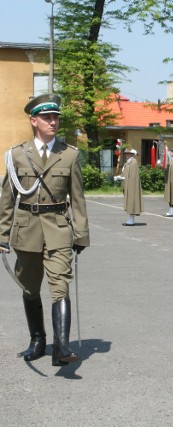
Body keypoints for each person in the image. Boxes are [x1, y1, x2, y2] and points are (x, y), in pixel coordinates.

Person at [0, 93, 90, 366]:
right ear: (34, 121)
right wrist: (2, 235)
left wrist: (81, 234)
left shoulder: (69, 154)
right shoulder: (17, 155)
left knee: (60, 286)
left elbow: (78, 198)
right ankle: (38, 340)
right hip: (27, 228)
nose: (53, 121)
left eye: (56, 117)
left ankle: (61, 347)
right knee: (29, 287)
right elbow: (7, 198)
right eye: (47, 117)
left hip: (58, 228)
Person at [119, 148, 143, 226]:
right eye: (126, 154)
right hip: (128, 184)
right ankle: (130, 219)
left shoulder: (133, 162)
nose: (126, 155)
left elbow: (133, 176)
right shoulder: (128, 162)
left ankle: (131, 219)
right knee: (129, 202)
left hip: (132, 185)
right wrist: (121, 177)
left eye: (128, 153)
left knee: (131, 202)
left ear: (132, 154)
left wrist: (125, 178)